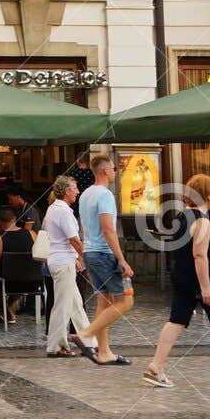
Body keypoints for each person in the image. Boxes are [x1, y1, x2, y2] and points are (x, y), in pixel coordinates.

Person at [142, 175, 210, 389]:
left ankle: (156, 366)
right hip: (202, 276)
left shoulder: (183, 216)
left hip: (181, 275)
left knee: (177, 320)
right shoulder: (202, 220)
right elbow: (199, 255)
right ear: (209, 195)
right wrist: (206, 288)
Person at [71, 155, 133, 365]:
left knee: (103, 301)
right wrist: (121, 259)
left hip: (90, 251)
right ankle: (86, 334)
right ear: (105, 171)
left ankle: (104, 351)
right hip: (104, 253)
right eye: (114, 168)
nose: (116, 171)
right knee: (126, 300)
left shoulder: (86, 194)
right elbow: (108, 229)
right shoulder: (105, 195)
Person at [43, 175, 95, 358]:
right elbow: (73, 238)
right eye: (75, 188)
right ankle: (56, 346)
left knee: (75, 304)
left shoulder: (53, 209)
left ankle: (89, 341)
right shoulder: (63, 211)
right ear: (67, 191)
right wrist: (85, 256)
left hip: (60, 260)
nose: (78, 192)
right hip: (63, 262)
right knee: (63, 305)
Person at [0, 205, 32, 324]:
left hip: (6, 282)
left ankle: (4, 309)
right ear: (15, 219)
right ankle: (5, 308)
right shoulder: (32, 234)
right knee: (18, 278)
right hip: (30, 281)